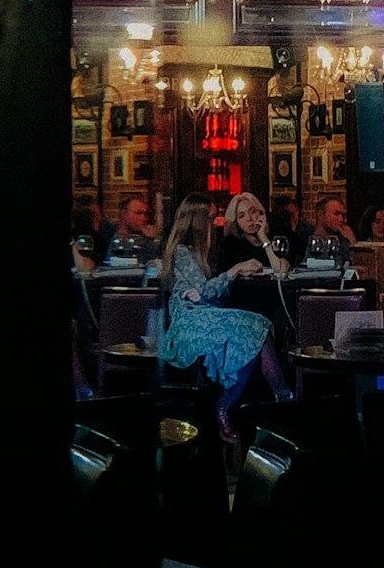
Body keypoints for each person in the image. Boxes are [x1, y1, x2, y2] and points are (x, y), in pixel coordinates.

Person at [157, 194, 289, 443]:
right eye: (210, 218)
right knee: (256, 327)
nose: (214, 223)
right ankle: (277, 398)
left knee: (254, 327)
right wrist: (235, 270)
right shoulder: (183, 252)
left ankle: (251, 402)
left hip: (206, 315)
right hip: (190, 321)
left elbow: (205, 292)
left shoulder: (201, 251)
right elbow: (203, 292)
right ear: (198, 222)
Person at [213, 189, 287, 281]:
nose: (249, 218)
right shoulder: (229, 244)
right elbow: (221, 279)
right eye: (241, 216)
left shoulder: (275, 237)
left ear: (261, 213)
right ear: (236, 222)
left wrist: (263, 238)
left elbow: (282, 271)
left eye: (253, 212)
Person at [106, 191, 155, 266]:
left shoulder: (146, 241)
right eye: (139, 213)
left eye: (146, 214)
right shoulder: (107, 236)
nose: (144, 218)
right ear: (124, 214)